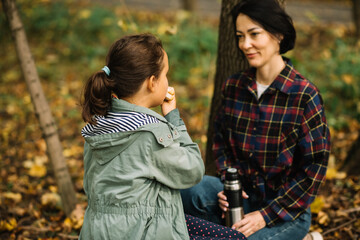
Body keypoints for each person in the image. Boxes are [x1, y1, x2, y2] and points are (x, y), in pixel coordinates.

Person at [180, 0, 331, 240]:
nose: (245, 44)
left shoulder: (304, 95)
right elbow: (220, 143)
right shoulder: (234, 86)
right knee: (186, 192)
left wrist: (265, 216)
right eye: (240, 36)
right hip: (239, 198)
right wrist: (228, 187)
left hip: (286, 212)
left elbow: (313, 171)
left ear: (278, 34)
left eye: (254, 34)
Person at [79, 33, 246, 240]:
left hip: (99, 230)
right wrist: (173, 118)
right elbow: (193, 169)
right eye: (165, 74)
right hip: (142, 231)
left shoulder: (98, 125)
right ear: (152, 82)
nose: (167, 80)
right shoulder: (150, 134)